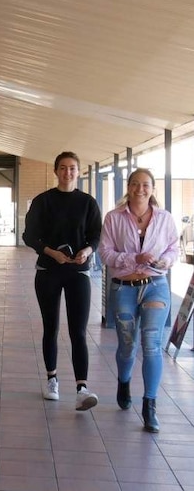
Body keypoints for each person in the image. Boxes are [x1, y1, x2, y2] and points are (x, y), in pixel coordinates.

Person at [98, 168, 177, 432]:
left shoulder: (165, 219)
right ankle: (124, 380)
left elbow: (172, 248)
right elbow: (106, 254)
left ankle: (149, 406)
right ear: (128, 187)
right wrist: (134, 259)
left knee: (152, 343)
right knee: (127, 344)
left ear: (153, 188)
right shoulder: (113, 218)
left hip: (155, 285)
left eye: (145, 185)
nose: (140, 189)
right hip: (124, 287)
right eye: (135, 184)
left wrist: (166, 260)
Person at [22, 151, 101, 410]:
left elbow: (95, 236)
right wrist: (51, 252)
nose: (68, 172)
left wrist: (86, 251)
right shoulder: (43, 201)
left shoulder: (88, 203)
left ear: (79, 172)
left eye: (73, 168)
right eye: (63, 168)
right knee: (51, 327)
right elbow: (30, 235)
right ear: (56, 171)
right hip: (48, 271)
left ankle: (82, 388)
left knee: (78, 331)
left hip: (78, 272)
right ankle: (52, 380)